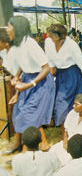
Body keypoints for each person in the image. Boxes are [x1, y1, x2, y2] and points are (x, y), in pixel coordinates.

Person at [6, 16, 55, 152]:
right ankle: (18, 144)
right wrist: (16, 78)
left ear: (17, 28)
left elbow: (46, 68)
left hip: (41, 82)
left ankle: (29, 150)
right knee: (17, 111)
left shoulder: (30, 44)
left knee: (29, 114)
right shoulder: (17, 44)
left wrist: (29, 85)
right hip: (28, 78)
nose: (8, 29)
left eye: (9, 26)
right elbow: (23, 65)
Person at [45, 24, 82, 130]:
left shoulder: (71, 45)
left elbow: (81, 63)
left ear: (62, 37)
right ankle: (65, 131)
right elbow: (49, 58)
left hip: (73, 75)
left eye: (55, 39)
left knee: (76, 103)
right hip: (60, 75)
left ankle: (77, 129)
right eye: (51, 38)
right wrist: (52, 67)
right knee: (60, 103)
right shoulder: (48, 42)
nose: (52, 41)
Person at [50, 94, 82, 165]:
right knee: (52, 151)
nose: (73, 106)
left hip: (79, 149)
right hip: (68, 144)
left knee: (65, 160)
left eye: (76, 104)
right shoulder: (71, 113)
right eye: (74, 104)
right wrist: (65, 143)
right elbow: (66, 131)